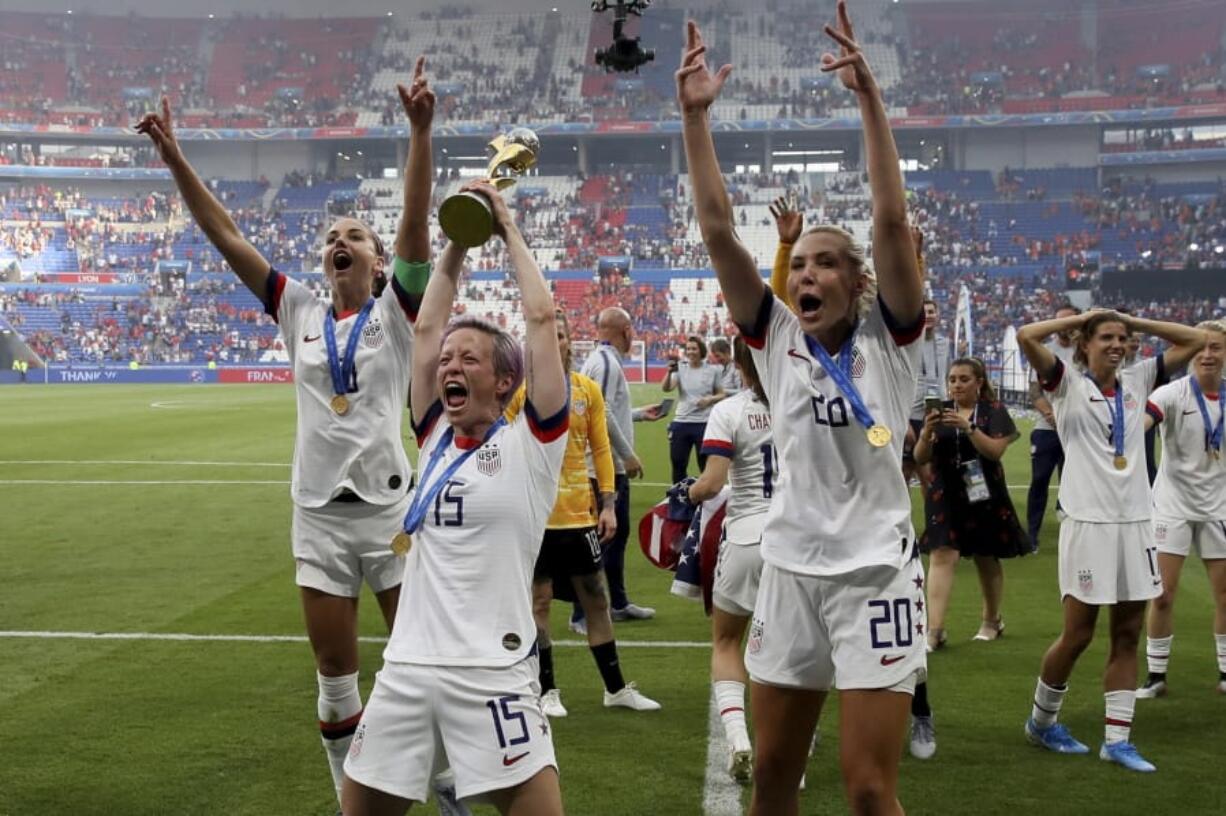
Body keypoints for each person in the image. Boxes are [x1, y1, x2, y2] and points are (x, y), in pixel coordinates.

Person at [136, 62, 461, 813]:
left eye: (354, 236)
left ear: (379, 262)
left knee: (423, 659)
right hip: (317, 514)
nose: (338, 241)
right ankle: (347, 793)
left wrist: (420, 132)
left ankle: (442, 776)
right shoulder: (299, 310)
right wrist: (178, 160)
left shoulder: (394, 313)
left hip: (389, 514)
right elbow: (225, 235)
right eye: (330, 236)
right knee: (335, 673)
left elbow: (415, 226)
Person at [678, 5, 927, 813]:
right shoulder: (775, 335)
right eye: (801, 265)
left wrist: (869, 100)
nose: (806, 274)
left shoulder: (890, 339)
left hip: (876, 577)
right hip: (788, 572)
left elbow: (890, 220)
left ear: (857, 282)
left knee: (865, 790)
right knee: (773, 785)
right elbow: (718, 230)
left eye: (826, 263)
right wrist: (694, 119)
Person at [341, 180, 569, 815]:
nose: (449, 367)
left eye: (468, 360)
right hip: (408, 668)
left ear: (504, 379)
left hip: (494, 675)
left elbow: (542, 321)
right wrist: (456, 241)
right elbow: (424, 331)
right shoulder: (434, 434)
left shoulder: (534, 446)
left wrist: (505, 228)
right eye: (447, 362)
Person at [1018, 309, 1205, 773]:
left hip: (1137, 523)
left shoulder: (1139, 378)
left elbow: (1197, 339)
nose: (1117, 344)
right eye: (1106, 338)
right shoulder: (1066, 383)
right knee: (1078, 634)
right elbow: (1025, 335)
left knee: (1127, 633)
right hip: (1088, 525)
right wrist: (1087, 316)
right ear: (1085, 344)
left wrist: (1130, 320)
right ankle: (1041, 723)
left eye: (1122, 339)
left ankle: (1117, 741)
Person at [506, 310, 662, 717]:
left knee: (596, 598)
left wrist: (608, 504)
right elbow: (501, 447)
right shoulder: (519, 395)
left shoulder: (586, 390)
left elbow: (600, 450)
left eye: (559, 335)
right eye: (544, 336)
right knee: (537, 603)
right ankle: (547, 690)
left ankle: (615, 688)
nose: (552, 342)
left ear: (567, 342)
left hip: (579, 516)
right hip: (535, 519)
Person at [688, 336, 776, 784]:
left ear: (739, 366)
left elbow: (712, 482)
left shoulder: (729, 411)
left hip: (746, 535)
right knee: (792, 653)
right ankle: (791, 753)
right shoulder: (803, 403)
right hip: (799, 540)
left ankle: (739, 736)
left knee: (726, 642)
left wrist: (691, 492)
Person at [1137, 320, 1226, 699]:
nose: (1207, 354)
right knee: (1162, 594)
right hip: (1172, 506)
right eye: (1201, 347)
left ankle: (1225, 672)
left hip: (1219, 507)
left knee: (1224, 595)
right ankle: (1156, 676)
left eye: (1216, 348)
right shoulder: (1171, 394)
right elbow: (1143, 421)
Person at [914, 357, 1029, 649]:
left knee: (985, 554)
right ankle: (935, 630)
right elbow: (920, 457)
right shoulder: (939, 411)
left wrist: (968, 428)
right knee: (942, 553)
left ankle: (991, 620)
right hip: (945, 491)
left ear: (979, 383)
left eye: (963, 379)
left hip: (983, 490)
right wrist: (927, 433)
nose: (956, 385)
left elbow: (994, 452)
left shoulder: (994, 411)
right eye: (952, 379)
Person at [579, 307, 667, 625]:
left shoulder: (601, 360)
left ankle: (617, 602)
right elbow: (599, 414)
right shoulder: (604, 363)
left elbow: (604, 409)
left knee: (617, 534)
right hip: (605, 466)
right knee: (604, 534)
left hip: (607, 463)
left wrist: (640, 413)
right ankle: (586, 610)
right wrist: (627, 454)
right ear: (626, 331)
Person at [1026, 303, 1080, 551]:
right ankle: (1032, 536)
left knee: (1076, 482)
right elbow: (1034, 391)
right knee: (1039, 481)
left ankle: (1077, 537)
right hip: (1047, 429)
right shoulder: (1044, 351)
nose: (1063, 327)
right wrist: (1050, 414)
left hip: (1079, 429)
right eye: (1059, 321)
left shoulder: (1088, 352)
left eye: (1068, 321)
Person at [662, 334, 725, 482]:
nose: (690, 352)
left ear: (701, 350)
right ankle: (678, 497)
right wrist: (669, 372)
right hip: (681, 422)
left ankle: (707, 499)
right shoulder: (680, 369)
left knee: (704, 465)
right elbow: (666, 388)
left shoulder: (713, 370)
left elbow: (721, 394)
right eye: (688, 349)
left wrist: (710, 399)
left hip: (704, 423)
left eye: (694, 349)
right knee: (678, 463)